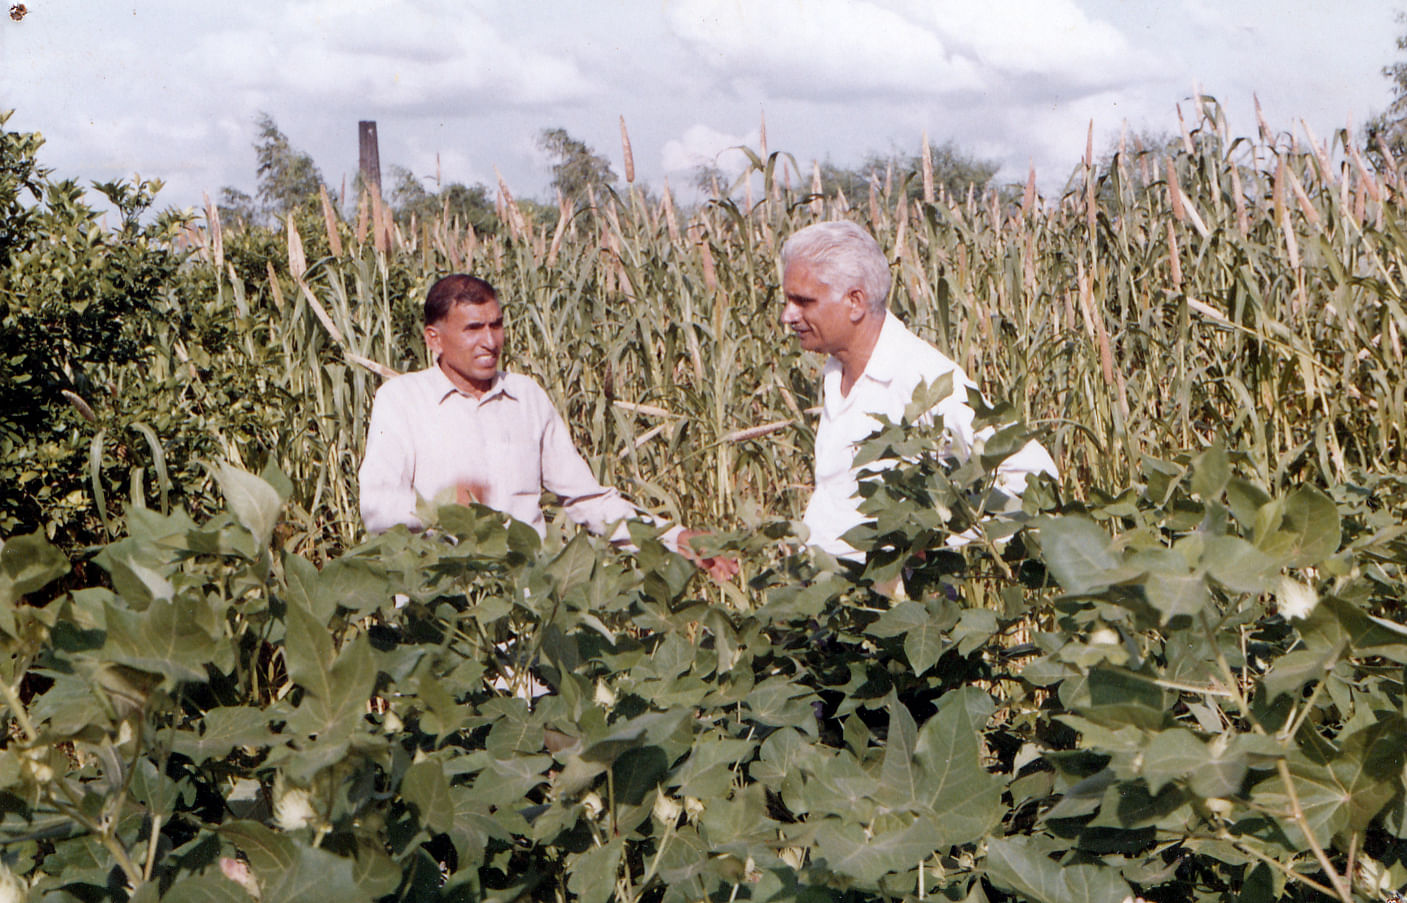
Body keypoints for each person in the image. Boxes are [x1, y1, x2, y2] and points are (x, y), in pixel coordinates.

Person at [359, 274, 735, 580]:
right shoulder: (401, 400)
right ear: (433, 339)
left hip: (529, 602)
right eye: (473, 328)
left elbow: (587, 499)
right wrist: (441, 507)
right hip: (441, 605)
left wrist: (675, 537)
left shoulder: (527, 397)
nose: (490, 341)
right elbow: (375, 507)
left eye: (496, 325)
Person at [779, 221, 1057, 560]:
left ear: (855, 302)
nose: (787, 315)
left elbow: (1036, 476)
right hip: (823, 592)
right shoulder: (837, 365)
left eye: (803, 301)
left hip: (882, 600)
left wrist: (937, 550)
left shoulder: (921, 376)